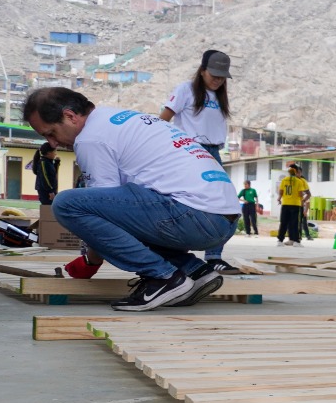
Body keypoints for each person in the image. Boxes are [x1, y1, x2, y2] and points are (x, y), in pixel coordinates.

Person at [22, 87, 238, 311]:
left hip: (194, 216)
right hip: (222, 219)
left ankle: (163, 277)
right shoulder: (114, 119)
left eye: (51, 133)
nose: (53, 143)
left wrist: (90, 261)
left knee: (67, 204)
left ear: (70, 116)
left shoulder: (90, 139)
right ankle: (193, 270)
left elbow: (104, 215)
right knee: (130, 207)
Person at [160, 50, 238, 273]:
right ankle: (178, 257)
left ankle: (214, 258)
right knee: (186, 201)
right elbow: (163, 120)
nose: (217, 79)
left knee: (225, 202)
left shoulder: (219, 97)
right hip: (191, 151)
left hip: (213, 153)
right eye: (213, 74)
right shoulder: (186, 90)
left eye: (222, 76)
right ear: (202, 70)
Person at [277, 162, 310, 245]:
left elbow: (308, 194)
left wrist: (304, 201)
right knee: (292, 223)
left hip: (292, 204)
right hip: (295, 204)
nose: (298, 174)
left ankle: (291, 239)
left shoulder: (300, 181)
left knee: (290, 223)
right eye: (297, 172)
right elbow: (299, 193)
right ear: (295, 172)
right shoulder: (297, 181)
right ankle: (293, 240)